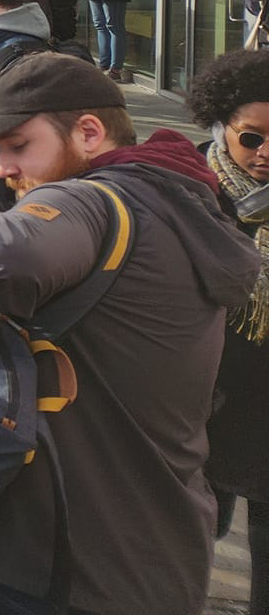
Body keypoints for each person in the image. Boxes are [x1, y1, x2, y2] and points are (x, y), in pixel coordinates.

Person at [0, 55, 260, 615]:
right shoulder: (176, 203)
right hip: (151, 557)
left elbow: (8, 248)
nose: (0, 168)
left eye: (18, 145)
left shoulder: (90, 198)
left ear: (89, 132)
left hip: (46, 571)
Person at [189, 49, 269, 613]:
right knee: (194, 535)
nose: (267, 154)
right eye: (252, 139)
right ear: (223, 126)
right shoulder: (188, 191)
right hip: (202, 402)